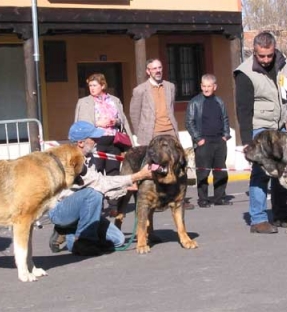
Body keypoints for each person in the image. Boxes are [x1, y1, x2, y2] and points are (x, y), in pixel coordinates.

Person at [48, 121, 154, 256]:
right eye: (94, 139)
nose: (98, 141)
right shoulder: (71, 160)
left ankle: (69, 232)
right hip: (61, 210)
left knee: (118, 240)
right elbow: (99, 183)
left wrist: (126, 187)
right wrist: (136, 176)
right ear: (81, 143)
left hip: (83, 209)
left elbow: (100, 184)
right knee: (94, 194)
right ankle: (83, 241)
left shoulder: (89, 157)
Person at [234, 31, 287, 234]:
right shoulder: (245, 73)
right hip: (259, 128)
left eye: (269, 55)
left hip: (280, 126)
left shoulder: (282, 63)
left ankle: (280, 215)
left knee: (282, 172)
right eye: (261, 55)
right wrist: (247, 141)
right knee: (260, 173)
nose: (265, 60)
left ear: (274, 50)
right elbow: (243, 110)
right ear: (254, 51)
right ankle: (258, 219)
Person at [129, 58, 194, 210]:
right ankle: (156, 199)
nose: (157, 71)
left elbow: (170, 108)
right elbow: (134, 113)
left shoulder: (170, 87)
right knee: (154, 167)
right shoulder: (140, 90)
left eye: (159, 68)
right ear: (148, 71)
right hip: (152, 133)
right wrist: (140, 133)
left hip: (170, 131)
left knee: (178, 164)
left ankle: (179, 199)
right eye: (154, 68)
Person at [185, 74, 232, 208]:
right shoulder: (194, 102)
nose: (206, 89)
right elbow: (189, 122)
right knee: (203, 172)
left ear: (214, 87)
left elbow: (225, 119)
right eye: (204, 86)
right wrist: (198, 139)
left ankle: (220, 197)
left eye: (209, 86)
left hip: (219, 141)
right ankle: (203, 199)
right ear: (201, 86)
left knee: (220, 172)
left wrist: (225, 136)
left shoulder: (219, 101)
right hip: (203, 143)